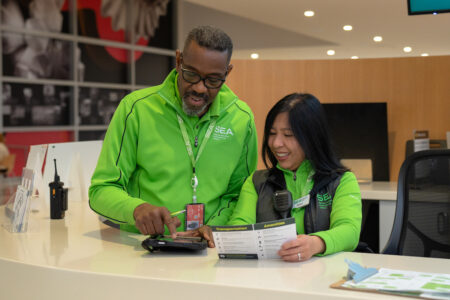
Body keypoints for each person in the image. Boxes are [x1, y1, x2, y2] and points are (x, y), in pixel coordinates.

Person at [89, 26, 258, 236]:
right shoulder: (136, 109)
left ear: (227, 72)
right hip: (143, 248)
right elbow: (101, 190)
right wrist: (136, 209)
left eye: (213, 80)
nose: (200, 88)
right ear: (178, 61)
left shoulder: (242, 119)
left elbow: (239, 194)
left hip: (209, 249)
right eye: (191, 74)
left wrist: (214, 227)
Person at [191, 93, 362, 261]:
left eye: (288, 135)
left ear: (312, 137)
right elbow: (240, 225)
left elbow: (349, 231)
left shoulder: (341, 181)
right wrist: (218, 234)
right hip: (269, 280)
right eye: (272, 133)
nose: (276, 143)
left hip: (322, 282)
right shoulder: (257, 182)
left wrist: (316, 243)